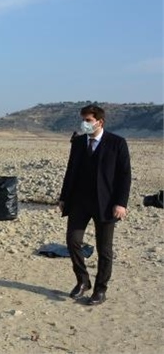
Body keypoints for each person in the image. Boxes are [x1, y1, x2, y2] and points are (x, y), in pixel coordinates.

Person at [58, 104, 131, 305]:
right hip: (79, 202)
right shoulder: (79, 142)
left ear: (100, 121)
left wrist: (120, 203)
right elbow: (70, 171)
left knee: (104, 249)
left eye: (88, 120)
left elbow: (125, 176)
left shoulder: (117, 143)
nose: (85, 124)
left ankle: (100, 289)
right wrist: (64, 198)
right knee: (73, 240)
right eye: (83, 120)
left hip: (106, 204)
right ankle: (83, 280)